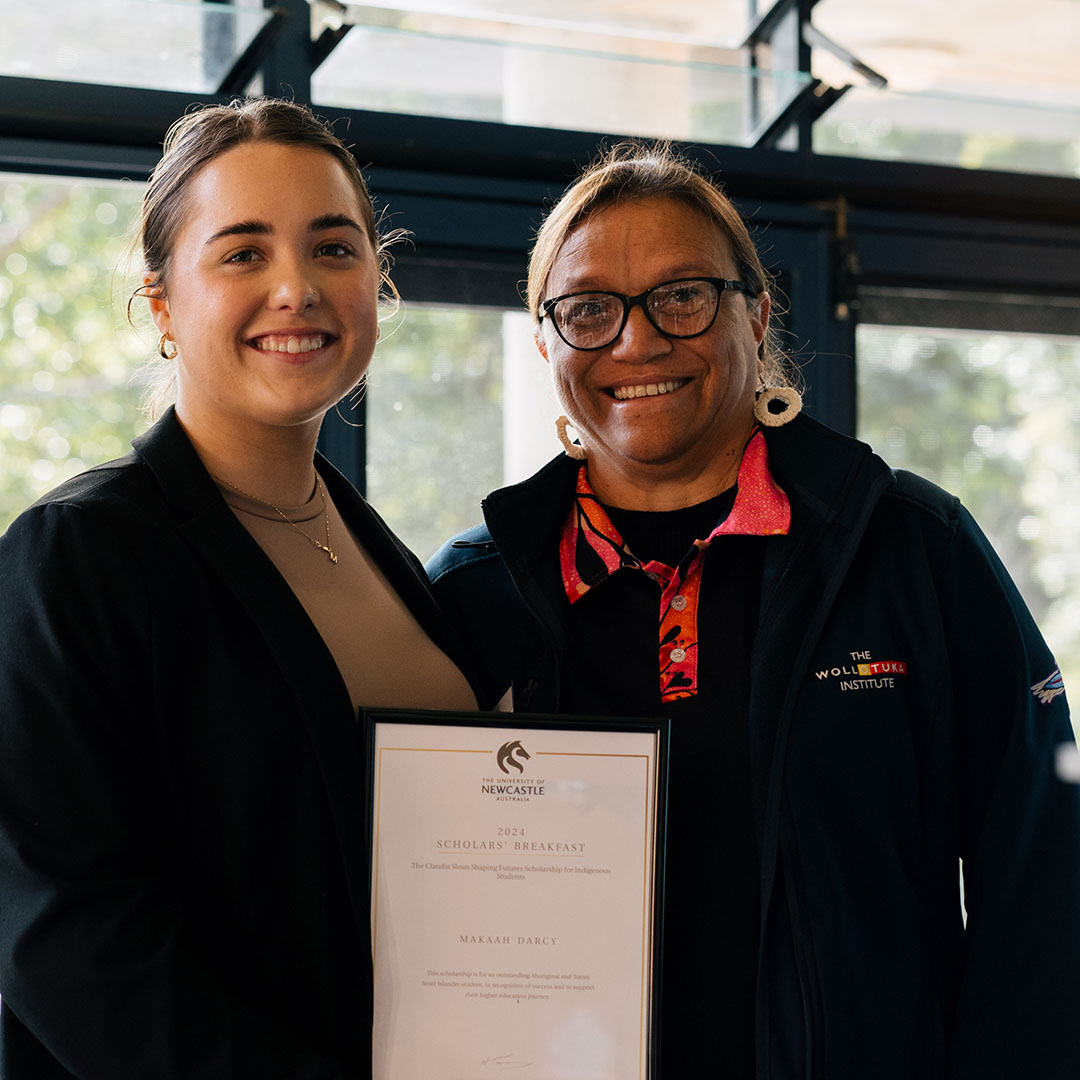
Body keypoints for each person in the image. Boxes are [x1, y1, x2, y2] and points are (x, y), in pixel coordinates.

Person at [427, 141, 1080, 1078]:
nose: (637, 339)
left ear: (759, 311)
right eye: (587, 310)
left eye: (682, 295)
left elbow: (1041, 874)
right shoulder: (473, 594)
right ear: (546, 342)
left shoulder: (911, 549)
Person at [0, 98, 478, 1078]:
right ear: (163, 301)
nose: (297, 288)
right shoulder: (79, 556)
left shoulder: (380, 551)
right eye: (243, 253)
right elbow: (70, 944)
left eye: (334, 249)